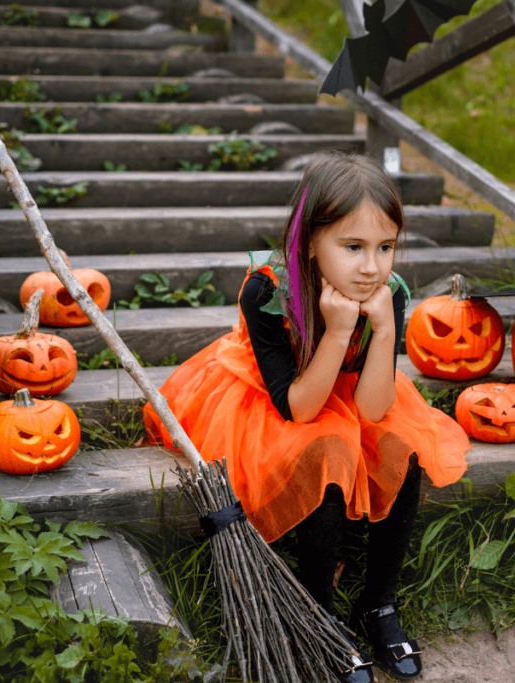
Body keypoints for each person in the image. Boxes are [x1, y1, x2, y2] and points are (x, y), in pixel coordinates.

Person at [144, 151, 470, 682]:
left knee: (401, 445)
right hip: (280, 399)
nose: (371, 266)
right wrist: (339, 330)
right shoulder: (267, 290)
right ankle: (320, 610)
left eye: (385, 247)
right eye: (353, 247)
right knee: (330, 450)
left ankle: (378, 602)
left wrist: (383, 330)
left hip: (354, 392)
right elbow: (297, 408)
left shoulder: (388, 296)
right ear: (310, 242)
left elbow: (371, 408)